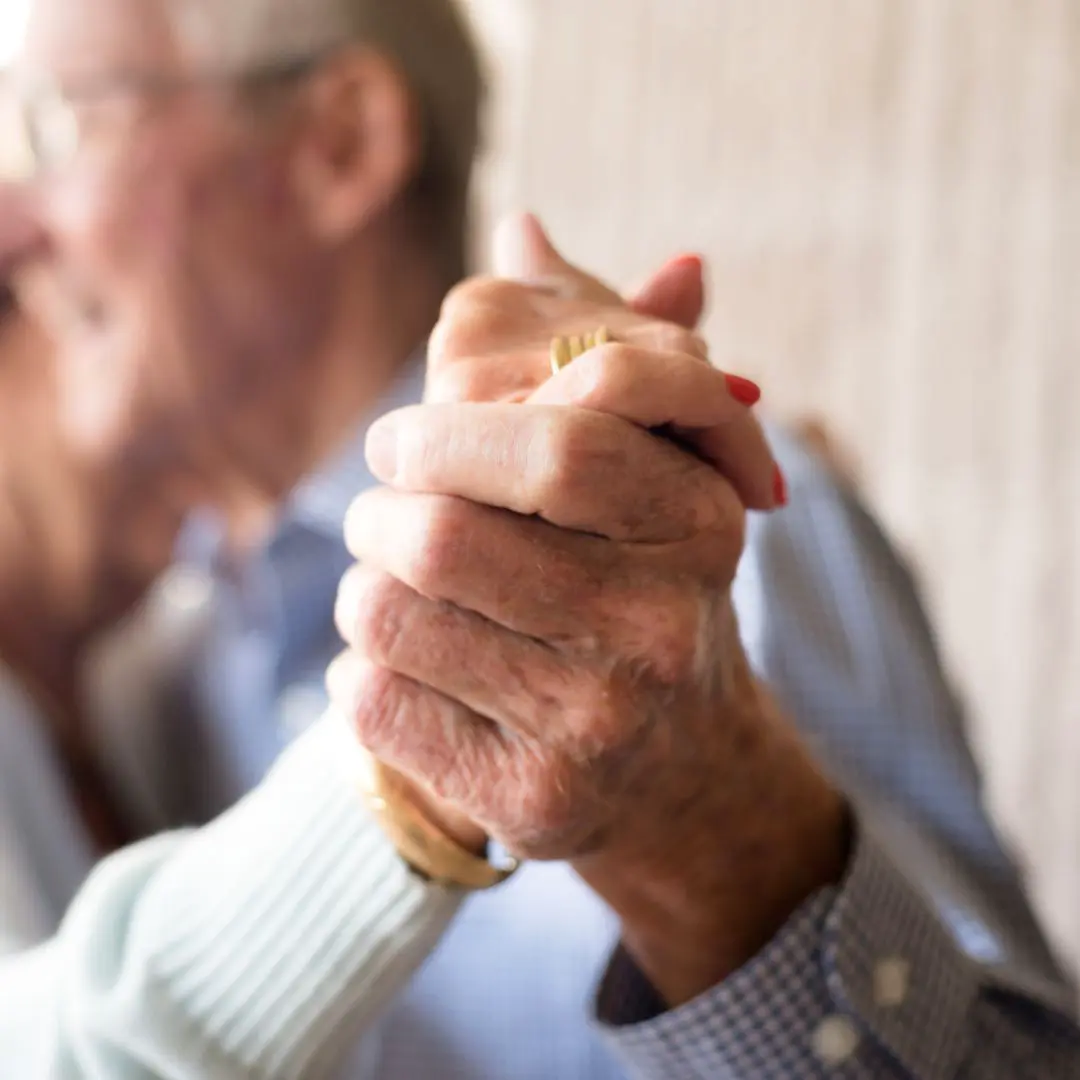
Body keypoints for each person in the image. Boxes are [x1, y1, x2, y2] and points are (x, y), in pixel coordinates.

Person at [0, 0, 1071, 1075]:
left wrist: (731, 842)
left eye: (59, 128)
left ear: (341, 145)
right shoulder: (159, 686)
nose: (14, 224)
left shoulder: (699, 549)